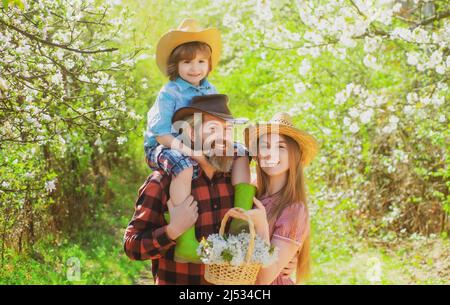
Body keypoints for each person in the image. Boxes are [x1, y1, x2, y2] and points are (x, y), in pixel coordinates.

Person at [144, 19, 254, 262]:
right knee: (183, 167)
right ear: (176, 65)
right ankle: (185, 240)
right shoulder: (170, 92)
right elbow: (161, 132)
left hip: (194, 142)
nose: (195, 68)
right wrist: (189, 152)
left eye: (201, 61)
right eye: (187, 62)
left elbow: (217, 121)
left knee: (242, 153)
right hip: (164, 144)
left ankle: (239, 218)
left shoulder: (209, 88)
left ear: (209, 64)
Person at [125, 94, 254, 284]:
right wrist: (172, 230)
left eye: (227, 130)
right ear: (192, 134)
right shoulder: (164, 182)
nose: (223, 137)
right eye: (212, 129)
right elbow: (132, 246)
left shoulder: (235, 181)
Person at [240, 112, 319, 284]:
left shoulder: (294, 210)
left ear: (294, 156)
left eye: (280, 147)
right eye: (265, 146)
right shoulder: (251, 190)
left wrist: (261, 226)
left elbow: (264, 279)